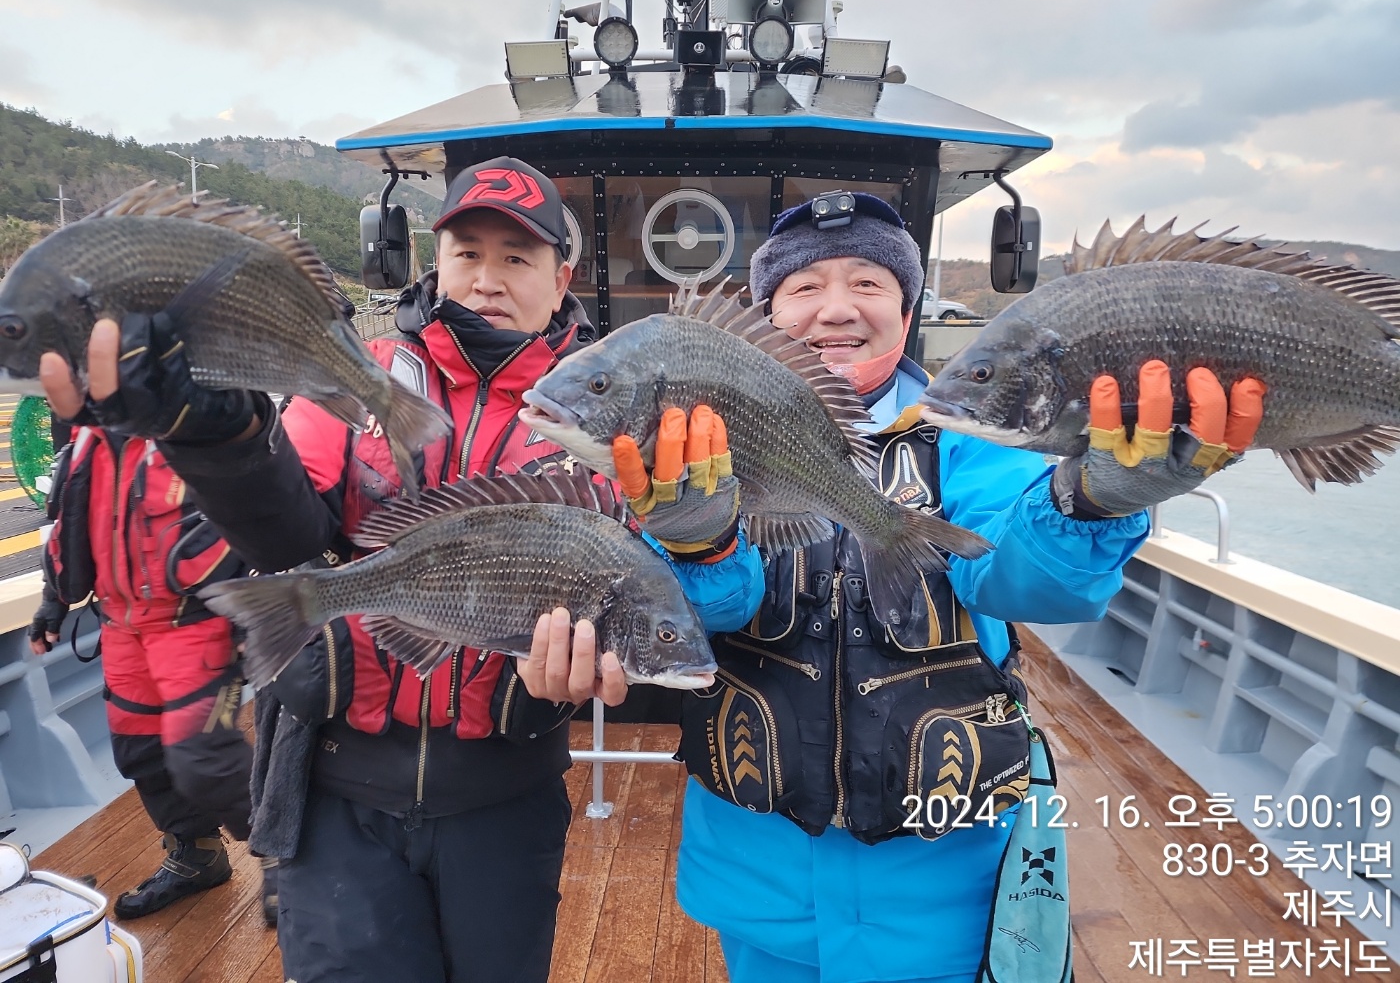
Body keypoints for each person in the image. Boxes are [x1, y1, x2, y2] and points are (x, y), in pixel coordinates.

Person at [38, 155, 763, 983]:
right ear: (436, 260)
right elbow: (285, 532)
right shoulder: (359, 378)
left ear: (562, 278)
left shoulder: (610, 410)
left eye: (517, 257)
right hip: (337, 794)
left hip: (506, 798)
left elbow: (664, 585)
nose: (488, 278)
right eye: (468, 252)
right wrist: (216, 431)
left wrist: (691, 552)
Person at [671, 193, 1265, 983]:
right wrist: (694, 535)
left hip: (944, 893)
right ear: (768, 315)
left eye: (868, 283)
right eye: (804, 287)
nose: (837, 308)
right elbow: (700, 618)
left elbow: (1018, 579)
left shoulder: (971, 434)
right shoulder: (702, 439)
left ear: (907, 309)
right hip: (759, 882)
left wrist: (1088, 501)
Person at [28, 427, 269, 922]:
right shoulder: (87, 438)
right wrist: (53, 602)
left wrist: (255, 612)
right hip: (121, 625)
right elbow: (69, 523)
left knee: (204, 756)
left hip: (196, 622)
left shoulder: (198, 422)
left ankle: (286, 860)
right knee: (139, 751)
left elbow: (259, 515)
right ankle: (197, 854)